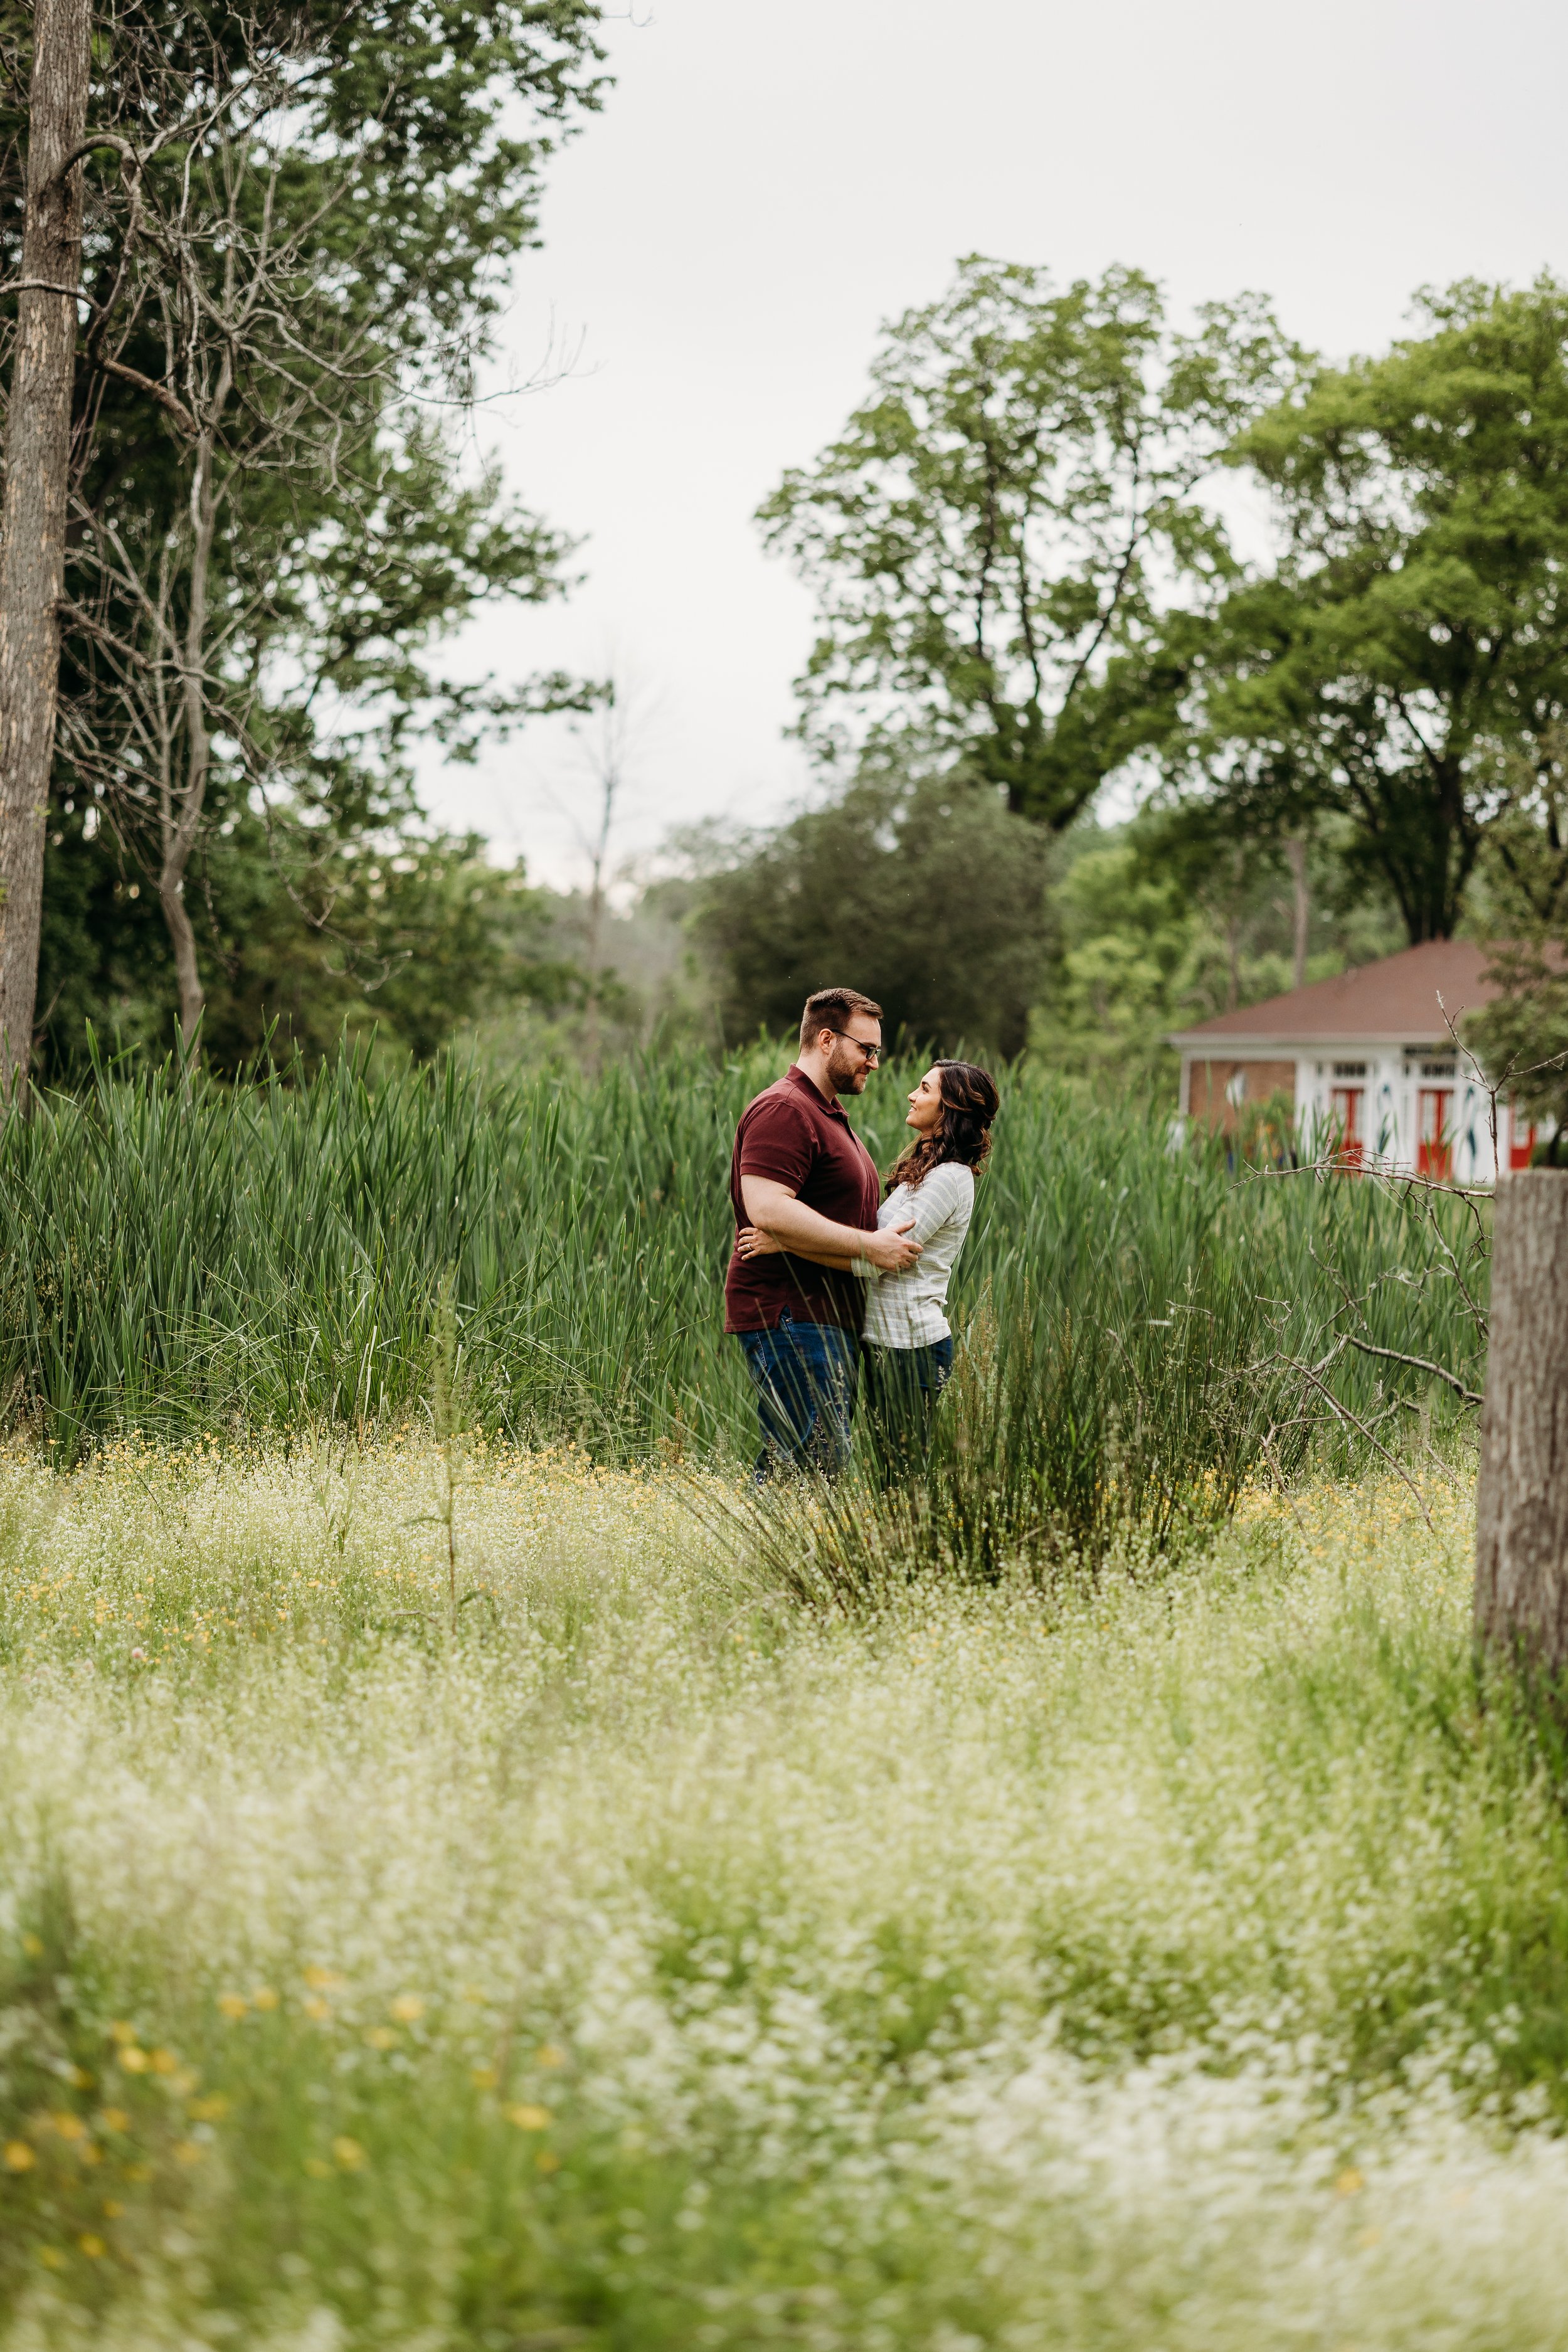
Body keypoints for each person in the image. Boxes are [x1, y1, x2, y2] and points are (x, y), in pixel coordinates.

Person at [739, 1057, 999, 1480]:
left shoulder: (949, 1178)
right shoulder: (926, 1173)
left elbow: (877, 1261)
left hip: (911, 1346)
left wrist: (785, 1242)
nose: (913, 1096)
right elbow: (871, 1248)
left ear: (951, 1108)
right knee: (889, 1475)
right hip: (886, 1343)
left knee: (902, 1478)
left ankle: (912, 1546)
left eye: (925, 1089)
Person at [724, 987, 922, 1478]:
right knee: (812, 1459)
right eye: (867, 1049)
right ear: (827, 1039)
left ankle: (764, 1554)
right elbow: (767, 1208)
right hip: (791, 1312)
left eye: (877, 1051)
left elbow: (793, 1220)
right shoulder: (785, 1109)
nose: (875, 1062)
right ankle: (759, 1554)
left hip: (824, 1316)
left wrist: (798, 1238)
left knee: (809, 1460)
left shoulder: (827, 1114)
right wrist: (868, 1245)